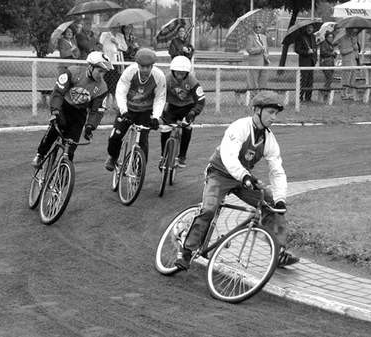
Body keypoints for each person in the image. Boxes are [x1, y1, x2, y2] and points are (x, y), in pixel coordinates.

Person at [175, 90, 299, 271]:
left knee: (271, 204)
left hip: (242, 179)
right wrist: (245, 176)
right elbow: (229, 156)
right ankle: (186, 251)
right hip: (219, 174)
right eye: (270, 112)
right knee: (209, 210)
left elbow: (277, 172)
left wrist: (281, 199)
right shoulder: (239, 127)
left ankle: (278, 252)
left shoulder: (269, 140)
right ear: (257, 110)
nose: (274, 117)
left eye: (276, 113)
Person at [31, 51, 113, 167]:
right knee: (55, 129)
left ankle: (64, 177)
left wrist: (90, 126)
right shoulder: (73, 72)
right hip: (63, 108)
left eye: (104, 73)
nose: (101, 75)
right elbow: (58, 93)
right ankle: (40, 154)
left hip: (79, 115)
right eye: (99, 71)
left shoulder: (102, 87)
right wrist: (55, 111)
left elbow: (97, 110)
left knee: (70, 148)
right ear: (90, 67)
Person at [104, 48, 166, 171]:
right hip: (128, 109)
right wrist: (124, 111)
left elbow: (160, 97)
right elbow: (121, 92)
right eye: (142, 67)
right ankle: (113, 157)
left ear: (152, 66)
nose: (145, 70)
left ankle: (138, 169)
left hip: (146, 111)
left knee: (143, 141)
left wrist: (155, 117)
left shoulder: (159, 76)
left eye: (148, 67)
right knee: (115, 137)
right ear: (137, 65)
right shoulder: (129, 72)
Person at [160, 56, 205, 168]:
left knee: (187, 128)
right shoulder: (166, 79)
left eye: (182, 73)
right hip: (171, 107)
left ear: (187, 73)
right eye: (177, 73)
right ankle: (163, 156)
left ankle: (182, 156)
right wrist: (159, 111)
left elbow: (200, 100)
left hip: (187, 108)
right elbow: (159, 96)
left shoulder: (192, 81)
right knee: (165, 128)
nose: (179, 76)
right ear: (172, 71)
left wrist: (193, 112)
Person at [100, 26, 128, 95]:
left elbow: (125, 48)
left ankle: (113, 97)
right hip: (107, 61)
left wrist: (117, 43)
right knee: (107, 80)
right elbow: (100, 44)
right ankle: (106, 96)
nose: (115, 29)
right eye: (113, 27)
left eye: (117, 27)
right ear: (110, 28)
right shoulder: (105, 34)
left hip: (117, 61)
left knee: (115, 80)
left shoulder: (120, 36)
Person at [245, 21, 270, 93]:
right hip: (254, 62)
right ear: (253, 28)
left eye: (259, 27)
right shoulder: (250, 37)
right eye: (256, 27)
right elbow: (249, 50)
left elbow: (267, 49)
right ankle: (254, 98)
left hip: (265, 62)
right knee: (253, 82)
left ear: (262, 28)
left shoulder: (264, 37)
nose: (258, 28)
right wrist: (259, 49)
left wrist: (267, 55)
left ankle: (262, 96)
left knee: (263, 81)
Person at [294, 24, 317, 102]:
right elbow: (297, 49)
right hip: (304, 62)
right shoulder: (301, 37)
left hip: (312, 62)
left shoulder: (313, 37)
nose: (310, 29)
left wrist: (315, 58)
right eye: (308, 27)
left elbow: (315, 48)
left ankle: (308, 98)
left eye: (311, 27)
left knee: (310, 81)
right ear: (305, 28)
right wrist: (307, 52)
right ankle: (300, 97)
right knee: (304, 80)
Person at [338, 28, 359, 100]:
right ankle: (343, 94)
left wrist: (354, 44)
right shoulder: (343, 39)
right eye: (352, 31)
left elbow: (356, 49)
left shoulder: (353, 38)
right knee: (346, 78)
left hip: (353, 61)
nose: (353, 32)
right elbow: (342, 51)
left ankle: (350, 93)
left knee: (353, 78)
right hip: (347, 61)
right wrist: (351, 49)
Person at [319, 31, 337, 102]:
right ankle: (325, 92)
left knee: (328, 79)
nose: (331, 38)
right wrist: (331, 53)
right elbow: (323, 53)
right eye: (329, 37)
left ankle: (326, 93)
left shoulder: (331, 44)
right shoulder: (324, 43)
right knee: (330, 78)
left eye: (332, 37)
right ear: (326, 37)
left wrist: (334, 54)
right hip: (325, 63)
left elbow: (331, 53)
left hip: (331, 63)